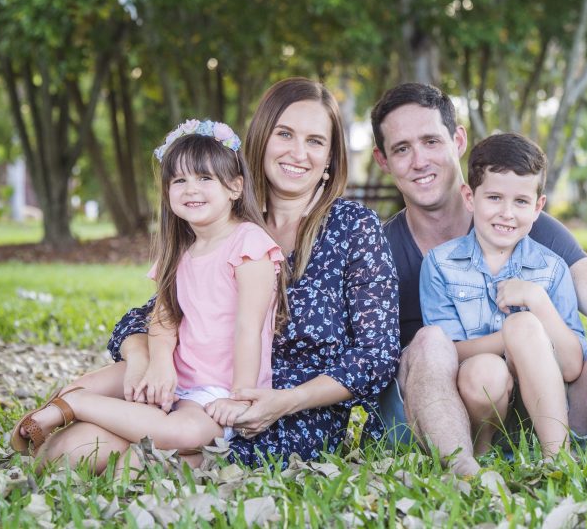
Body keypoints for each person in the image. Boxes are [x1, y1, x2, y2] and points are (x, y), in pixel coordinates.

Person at [34, 78, 399, 472]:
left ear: (330, 157)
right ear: (260, 139)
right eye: (285, 134)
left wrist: (287, 400)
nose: (298, 152)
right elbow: (154, 312)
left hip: (290, 414)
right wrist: (149, 360)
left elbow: (375, 356)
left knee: (104, 455)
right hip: (191, 389)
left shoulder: (353, 227)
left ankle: (161, 457)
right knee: (65, 451)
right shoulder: (220, 215)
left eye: (315, 141)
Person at [371, 83, 587, 476]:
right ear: (383, 160)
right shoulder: (376, 250)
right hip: (450, 416)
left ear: (457, 140)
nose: (419, 160)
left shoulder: (528, 228)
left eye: (431, 141)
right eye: (402, 148)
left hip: (544, 411)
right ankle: (463, 471)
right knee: (429, 343)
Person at [11, 120, 285, 454]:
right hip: (175, 374)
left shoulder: (249, 244)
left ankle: (80, 406)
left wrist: (240, 396)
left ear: (235, 187)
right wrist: (159, 365)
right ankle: (55, 425)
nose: (190, 189)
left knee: (182, 434)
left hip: (218, 389)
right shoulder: (181, 250)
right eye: (179, 180)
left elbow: (249, 327)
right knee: (94, 381)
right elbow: (164, 317)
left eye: (204, 178)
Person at [420, 133, 587, 457]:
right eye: (494, 198)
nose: (507, 213)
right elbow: (446, 354)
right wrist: (509, 337)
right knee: (489, 368)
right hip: (476, 398)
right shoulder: (441, 264)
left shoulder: (551, 269)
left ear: (538, 207)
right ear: (470, 197)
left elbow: (571, 367)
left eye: (521, 202)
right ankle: (481, 454)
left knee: (524, 325)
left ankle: (558, 456)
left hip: (539, 409)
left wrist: (538, 303)